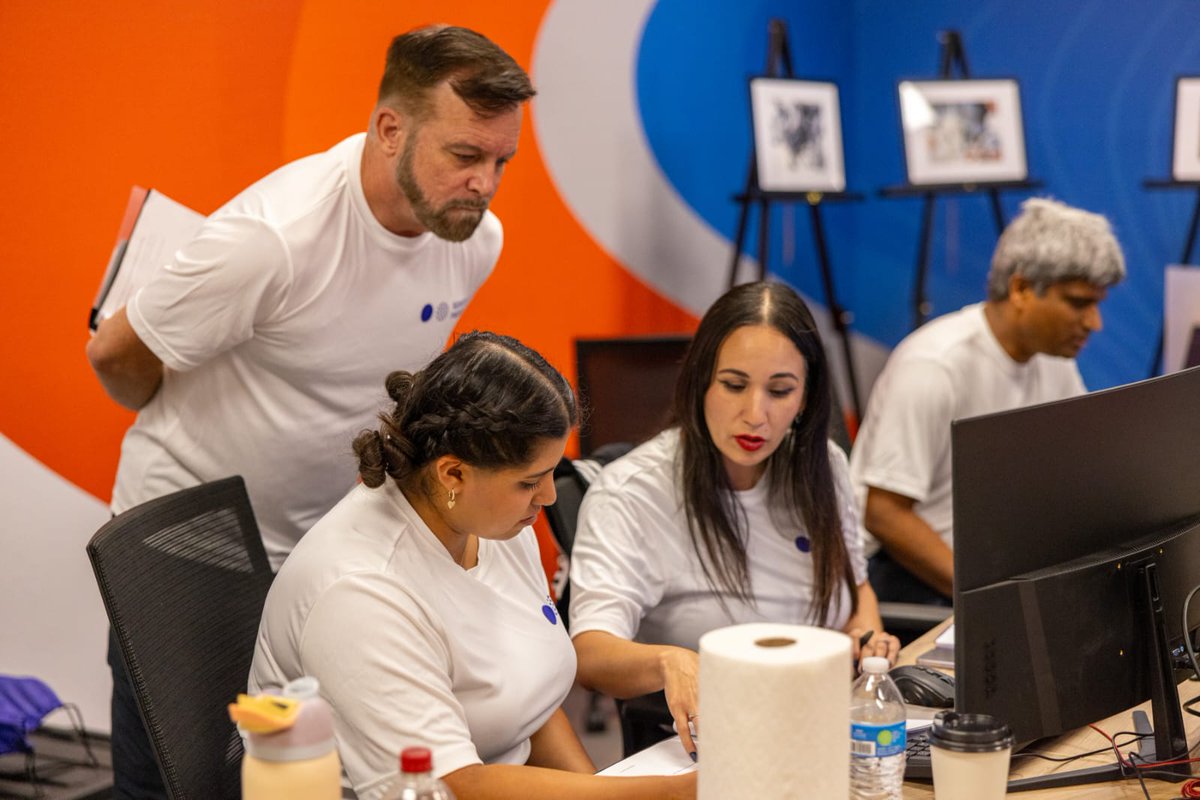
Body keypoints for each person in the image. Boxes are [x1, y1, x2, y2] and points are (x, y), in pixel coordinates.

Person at [85, 25, 534, 799]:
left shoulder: (472, 239)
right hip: (190, 534)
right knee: (183, 780)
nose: (484, 183)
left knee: (296, 778)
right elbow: (115, 354)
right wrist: (175, 420)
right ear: (389, 129)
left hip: (318, 544)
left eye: (502, 162)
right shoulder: (274, 239)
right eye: (465, 155)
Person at [249, 332, 695, 800]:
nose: (548, 497)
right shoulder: (360, 592)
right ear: (453, 473)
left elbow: (531, 707)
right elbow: (452, 785)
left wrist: (599, 789)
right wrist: (672, 793)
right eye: (530, 482)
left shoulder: (489, 520)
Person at [568, 281, 901, 759]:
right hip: (709, 745)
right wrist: (669, 662)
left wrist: (864, 640)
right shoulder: (632, 493)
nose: (755, 414)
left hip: (825, 724)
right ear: (701, 381)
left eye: (780, 391)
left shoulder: (823, 466)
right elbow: (591, 653)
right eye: (734, 385)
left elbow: (856, 585)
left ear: (806, 399)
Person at [848, 197, 1126, 605]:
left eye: (1097, 304)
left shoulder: (1054, 360)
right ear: (1021, 289)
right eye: (1078, 303)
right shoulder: (933, 367)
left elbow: (1080, 474)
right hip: (905, 573)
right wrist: (991, 600)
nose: (1094, 323)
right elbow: (884, 515)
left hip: (993, 564)